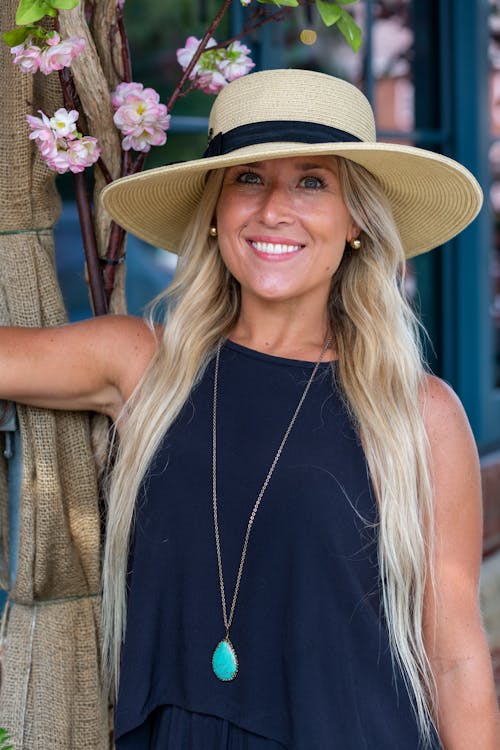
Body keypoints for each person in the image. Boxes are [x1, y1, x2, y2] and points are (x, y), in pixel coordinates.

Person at [2, 69, 499, 749]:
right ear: (214, 209)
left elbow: (456, 652)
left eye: (312, 182)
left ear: (356, 220)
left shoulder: (417, 413)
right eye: (249, 179)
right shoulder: (145, 365)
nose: (273, 210)